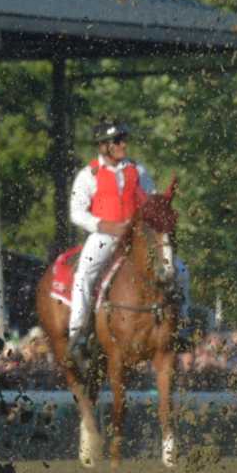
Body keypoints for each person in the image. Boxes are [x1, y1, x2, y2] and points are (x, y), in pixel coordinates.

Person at [64, 118, 157, 368]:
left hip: (138, 237)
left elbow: (153, 203)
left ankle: (182, 326)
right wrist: (106, 226)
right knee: (84, 274)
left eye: (123, 139)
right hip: (105, 235)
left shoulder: (139, 171)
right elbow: (76, 212)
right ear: (103, 146)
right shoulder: (88, 174)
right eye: (117, 141)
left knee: (179, 269)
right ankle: (77, 333)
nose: (123, 144)